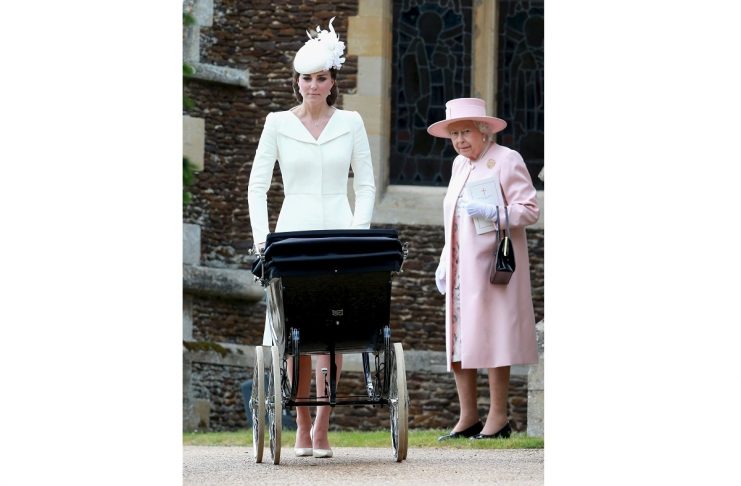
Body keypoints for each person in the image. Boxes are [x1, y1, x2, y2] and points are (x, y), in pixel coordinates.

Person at [247, 17, 375, 458]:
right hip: (293, 231)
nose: (313, 85)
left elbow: (367, 184)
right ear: (296, 81)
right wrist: (263, 240)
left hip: (340, 229)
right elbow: (257, 186)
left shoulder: (352, 122)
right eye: (306, 78)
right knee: (294, 336)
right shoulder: (277, 122)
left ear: (333, 81)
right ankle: (300, 424)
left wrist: (360, 236)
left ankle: (323, 425)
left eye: (321, 78)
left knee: (331, 332)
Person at [427, 98, 539, 440]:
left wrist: (496, 212)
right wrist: (445, 259)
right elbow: (454, 219)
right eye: (454, 134)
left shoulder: (507, 160)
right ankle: (468, 416)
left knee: (494, 336)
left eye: (466, 132)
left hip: (494, 269)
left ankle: (499, 417)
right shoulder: (459, 165)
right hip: (461, 269)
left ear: (484, 130)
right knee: (459, 339)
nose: (460, 140)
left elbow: (529, 210)